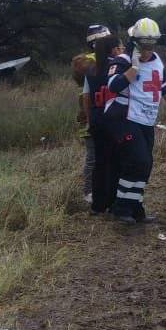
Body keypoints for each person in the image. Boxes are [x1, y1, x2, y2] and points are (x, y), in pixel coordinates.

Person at [104, 17, 166, 224]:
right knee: (138, 160)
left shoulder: (157, 61)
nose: (148, 49)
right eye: (144, 45)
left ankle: (135, 208)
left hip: (147, 119)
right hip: (125, 117)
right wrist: (132, 69)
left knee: (146, 164)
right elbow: (112, 86)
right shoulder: (123, 61)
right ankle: (121, 208)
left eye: (152, 45)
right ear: (135, 42)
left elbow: (163, 85)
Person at [82, 32, 123, 215]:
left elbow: (86, 97)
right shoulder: (115, 67)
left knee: (99, 163)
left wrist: (89, 120)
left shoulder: (91, 69)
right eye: (119, 48)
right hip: (112, 119)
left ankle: (97, 206)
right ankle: (113, 203)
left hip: (96, 119)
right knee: (115, 163)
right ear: (113, 49)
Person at [73, 24, 112, 205]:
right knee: (93, 157)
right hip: (91, 115)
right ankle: (89, 191)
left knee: (102, 156)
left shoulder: (98, 60)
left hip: (100, 114)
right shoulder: (89, 62)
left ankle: (100, 189)